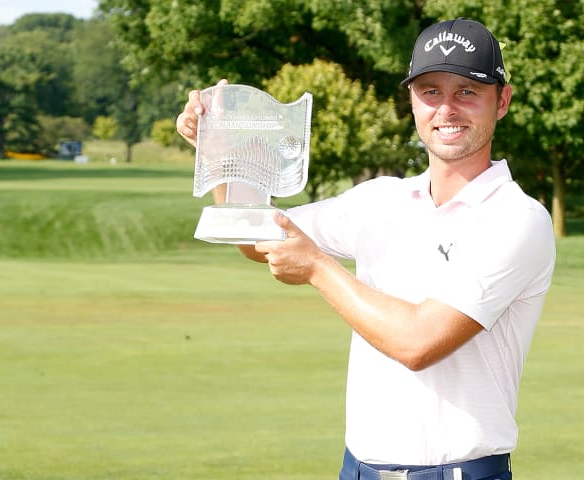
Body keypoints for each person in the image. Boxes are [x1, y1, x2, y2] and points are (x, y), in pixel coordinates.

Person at [177, 18, 555, 480]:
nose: (446, 109)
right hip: (357, 469)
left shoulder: (517, 218)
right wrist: (222, 150)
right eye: (431, 91)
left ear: (503, 101)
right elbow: (260, 236)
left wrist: (317, 267)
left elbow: (418, 343)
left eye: (467, 92)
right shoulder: (382, 198)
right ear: (413, 101)